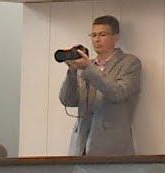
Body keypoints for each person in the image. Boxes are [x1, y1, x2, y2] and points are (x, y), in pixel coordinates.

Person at [57, 15, 142, 155]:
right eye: (94, 35)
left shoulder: (129, 63)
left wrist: (89, 68)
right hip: (81, 145)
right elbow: (67, 100)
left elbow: (117, 93)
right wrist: (72, 71)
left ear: (116, 37)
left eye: (103, 34)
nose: (97, 40)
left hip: (112, 147)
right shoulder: (85, 65)